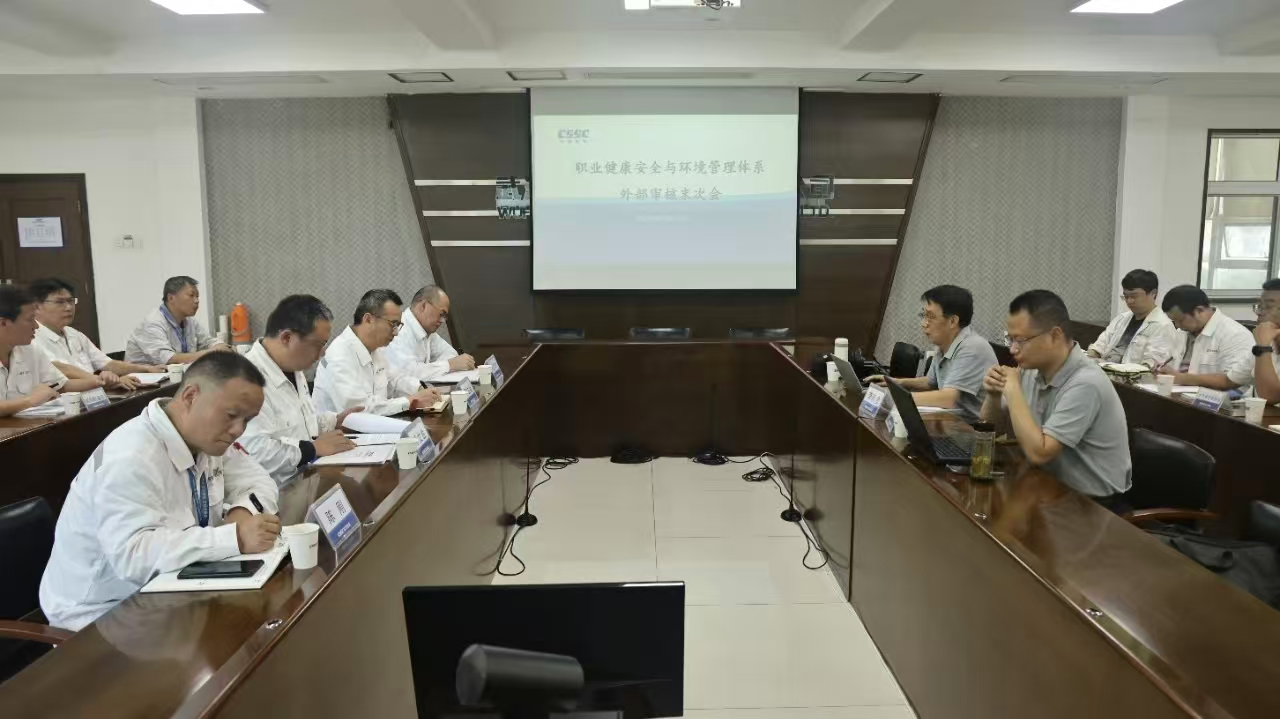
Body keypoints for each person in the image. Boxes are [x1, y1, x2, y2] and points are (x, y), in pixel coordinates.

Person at [39, 352, 281, 631]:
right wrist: (234, 537)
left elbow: (260, 481)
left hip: (174, 589)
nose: (238, 430)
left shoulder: (206, 438)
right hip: (102, 614)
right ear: (190, 396)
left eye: (247, 421)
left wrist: (242, 513)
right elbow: (134, 556)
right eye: (231, 415)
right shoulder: (131, 457)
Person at [979, 290, 1131, 504]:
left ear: (1055, 335)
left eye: (1020, 340)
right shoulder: (1031, 368)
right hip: (1046, 486)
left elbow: (1040, 453)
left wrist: (1012, 390)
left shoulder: (1086, 382)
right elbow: (989, 430)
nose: (1012, 349)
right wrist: (993, 395)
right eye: (1009, 339)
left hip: (1093, 505)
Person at [242, 295, 365, 483]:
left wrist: (334, 421)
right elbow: (252, 451)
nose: (322, 352)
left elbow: (300, 423)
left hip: (305, 481)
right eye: (318, 344)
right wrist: (312, 448)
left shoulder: (293, 366)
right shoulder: (246, 379)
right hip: (274, 492)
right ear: (287, 338)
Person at [868, 285, 996, 422]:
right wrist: (896, 382)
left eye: (930, 316)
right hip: (950, 421)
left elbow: (948, 398)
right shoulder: (945, 343)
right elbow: (931, 382)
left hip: (974, 429)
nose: (924, 324)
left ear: (953, 321)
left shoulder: (972, 347)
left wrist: (895, 398)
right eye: (924, 315)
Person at [313, 289, 441, 416]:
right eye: (393, 324)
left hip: (376, 424)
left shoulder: (377, 349)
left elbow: (394, 380)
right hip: (349, 428)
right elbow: (359, 411)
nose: (396, 332)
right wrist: (411, 401)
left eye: (398, 325)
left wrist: (420, 388)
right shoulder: (339, 355)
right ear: (368, 319)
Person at [30, 277, 165, 391]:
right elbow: (59, 368)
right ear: (37, 307)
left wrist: (146, 369)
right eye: (60, 302)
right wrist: (102, 380)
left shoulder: (74, 334)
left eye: (71, 301)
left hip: (95, 394)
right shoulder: (31, 336)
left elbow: (107, 364)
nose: (69, 307)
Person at [0, 285, 109, 418]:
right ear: (3, 323)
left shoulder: (30, 350)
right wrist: (29, 401)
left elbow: (61, 385)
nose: (36, 326)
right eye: (29, 320)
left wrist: (99, 381)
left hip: (29, 427)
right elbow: (33, 399)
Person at [1158, 284, 1254, 392]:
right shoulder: (1183, 332)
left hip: (1220, 399)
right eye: (1174, 321)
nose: (1178, 326)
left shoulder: (1235, 335)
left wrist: (1182, 378)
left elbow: (1232, 380)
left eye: (1180, 320)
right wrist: (1163, 369)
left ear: (1199, 310)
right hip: (1179, 394)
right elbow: (1170, 364)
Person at [125, 276, 231, 366]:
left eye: (197, 296)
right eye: (191, 295)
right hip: (142, 380)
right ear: (171, 298)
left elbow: (208, 341)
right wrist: (212, 352)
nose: (197, 301)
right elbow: (169, 359)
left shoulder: (189, 321)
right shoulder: (153, 323)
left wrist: (220, 346)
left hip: (173, 376)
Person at [1086, 269, 1178, 368]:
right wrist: (1089, 358)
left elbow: (1150, 365)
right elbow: (1099, 346)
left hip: (1128, 376)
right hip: (1104, 369)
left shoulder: (1163, 326)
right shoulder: (1122, 318)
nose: (1129, 301)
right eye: (1126, 296)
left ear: (1153, 293)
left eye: (1134, 296)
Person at [386, 285, 475, 381]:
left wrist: (431, 369)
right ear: (423, 306)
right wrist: (449, 365)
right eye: (441, 314)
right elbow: (409, 375)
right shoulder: (398, 330)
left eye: (445, 316)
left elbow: (450, 352)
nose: (442, 321)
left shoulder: (427, 331)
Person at [1251, 278, 1280, 404]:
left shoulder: (1263, 340)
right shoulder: (1269, 339)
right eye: (1260, 307)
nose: (1259, 313)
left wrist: (1263, 346)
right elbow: (1231, 379)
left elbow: (1270, 396)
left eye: (1267, 307)